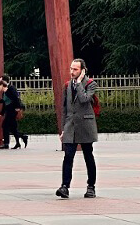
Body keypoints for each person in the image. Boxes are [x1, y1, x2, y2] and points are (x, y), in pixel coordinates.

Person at [56, 58, 98, 199]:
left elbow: (84, 99)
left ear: (82, 70)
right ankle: (64, 187)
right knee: (68, 156)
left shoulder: (91, 84)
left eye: (75, 69)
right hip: (70, 126)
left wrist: (79, 83)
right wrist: (62, 129)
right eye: (71, 68)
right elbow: (64, 108)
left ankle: (91, 187)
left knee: (88, 156)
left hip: (85, 125)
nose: (72, 72)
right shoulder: (67, 85)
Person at [0, 75, 27, 149]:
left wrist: (18, 107)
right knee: (13, 128)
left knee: (5, 125)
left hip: (13, 110)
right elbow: (5, 103)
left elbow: (16, 98)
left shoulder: (11, 88)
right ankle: (20, 140)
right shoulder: (4, 92)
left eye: (1, 81)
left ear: (4, 83)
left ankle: (6, 143)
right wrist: (1, 113)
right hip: (9, 111)